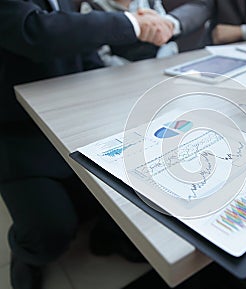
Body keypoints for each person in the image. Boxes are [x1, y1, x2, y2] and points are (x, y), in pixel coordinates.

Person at [0, 1, 174, 288]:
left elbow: (81, 44)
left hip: (76, 116)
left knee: (130, 184)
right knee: (49, 232)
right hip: (21, 129)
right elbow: (37, 32)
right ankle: (28, 254)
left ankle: (106, 234)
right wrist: (133, 23)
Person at [79, 0, 180, 64]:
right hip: (121, 69)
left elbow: (166, 33)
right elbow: (101, 55)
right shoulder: (92, 7)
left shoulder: (150, 2)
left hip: (159, 60)